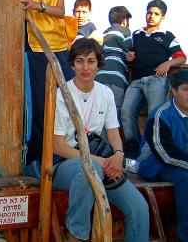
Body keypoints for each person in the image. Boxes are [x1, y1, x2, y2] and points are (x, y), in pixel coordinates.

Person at [53, 38, 149, 242]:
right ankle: (76, 235)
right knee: (91, 168)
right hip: (65, 165)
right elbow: (58, 145)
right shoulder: (61, 94)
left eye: (91, 61)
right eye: (79, 61)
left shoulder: (105, 93)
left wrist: (118, 156)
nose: (85, 67)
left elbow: (114, 134)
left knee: (139, 208)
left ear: (99, 64)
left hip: (100, 162)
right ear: (72, 64)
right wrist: (101, 162)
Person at [20, 0, 74, 172]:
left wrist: (36, 5)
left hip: (61, 48)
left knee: (65, 100)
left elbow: (60, 12)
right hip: (36, 48)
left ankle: (63, 150)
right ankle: (36, 158)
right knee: (40, 105)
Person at [121, 0, 186, 161]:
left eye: (156, 14)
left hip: (157, 80)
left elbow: (181, 57)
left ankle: (148, 153)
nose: (151, 16)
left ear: (162, 17)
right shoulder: (136, 34)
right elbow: (130, 53)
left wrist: (168, 62)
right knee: (126, 111)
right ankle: (132, 150)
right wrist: (129, 56)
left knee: (154, 115)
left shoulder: (167, 36)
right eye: (149, 12)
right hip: (135, 80)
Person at [137, 69, 188, 242]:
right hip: (154, 163)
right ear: (173, 91)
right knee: (186, 178)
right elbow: (164, 154)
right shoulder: (161, 114)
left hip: (181, 162)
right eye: (186, 89)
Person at [95, 6, 132, 123]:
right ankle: (113, 140)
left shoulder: (104, 33)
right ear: (125, 21)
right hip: (117, 77)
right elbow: (130, 49)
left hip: (100, 76)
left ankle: (97, 140)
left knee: (99, 111)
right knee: (115, 112)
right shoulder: (125, 31)